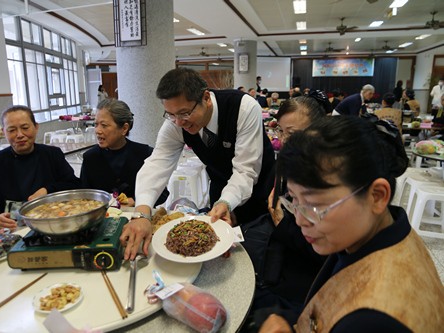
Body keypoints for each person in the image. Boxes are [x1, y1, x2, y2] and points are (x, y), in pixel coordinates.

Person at [259, 116, 444, 332]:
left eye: (314, 205)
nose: (299, 220)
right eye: (293, 200)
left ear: (377, 196)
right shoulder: (386, 228)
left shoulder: (373, 321)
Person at [124, 67, 275, 260]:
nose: (178, 122)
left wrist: (227, 201)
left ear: (206, 98)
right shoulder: (176, 122)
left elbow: (246, 171)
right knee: (218, 252)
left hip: (260, 190)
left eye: (184, 113)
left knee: (257, 251)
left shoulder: (244, 107)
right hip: (221, 187)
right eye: (171, 114)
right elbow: (157, 163)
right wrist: (142, 213)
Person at [243, 94, 329, 332]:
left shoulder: (328, 179)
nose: (283, 140)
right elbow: (268, 205)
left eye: (292, 133)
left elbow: (326, 253)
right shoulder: (286, 163)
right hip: (272, 259)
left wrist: (282, 222)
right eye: (281, 132)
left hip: (300, 281)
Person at [0, 105, 80, 229]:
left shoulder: (52, 154)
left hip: (54, 223)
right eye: (12, 130)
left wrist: (47, 190)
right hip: (12, 228)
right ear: (3, 132)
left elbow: (73, 184)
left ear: (36, 127)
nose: (20, 135)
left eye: (25, 128)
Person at [80, 99, 168, 206]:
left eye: (104, 125)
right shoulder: (90, 158)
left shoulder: (144, 154)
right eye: (96, 124)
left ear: (124, 128)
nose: (98, 130)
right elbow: (84, 196)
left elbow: (162, 193)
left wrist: (134, 201)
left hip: (138, 216)